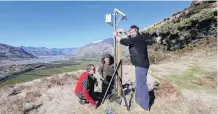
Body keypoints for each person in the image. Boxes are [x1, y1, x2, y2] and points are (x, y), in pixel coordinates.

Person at [113, 25, 157, 112]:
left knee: (142, 85)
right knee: (139, 83)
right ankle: (139, 100)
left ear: (137, 31)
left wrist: (116, 35)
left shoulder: (136, 39)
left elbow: (124, 41)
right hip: (140, 64)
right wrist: (125, 31)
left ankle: (145, 106)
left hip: (141, 65)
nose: (131, 32)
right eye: (130, 31)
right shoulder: (138, 38)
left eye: (133, 31)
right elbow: (130, 36)